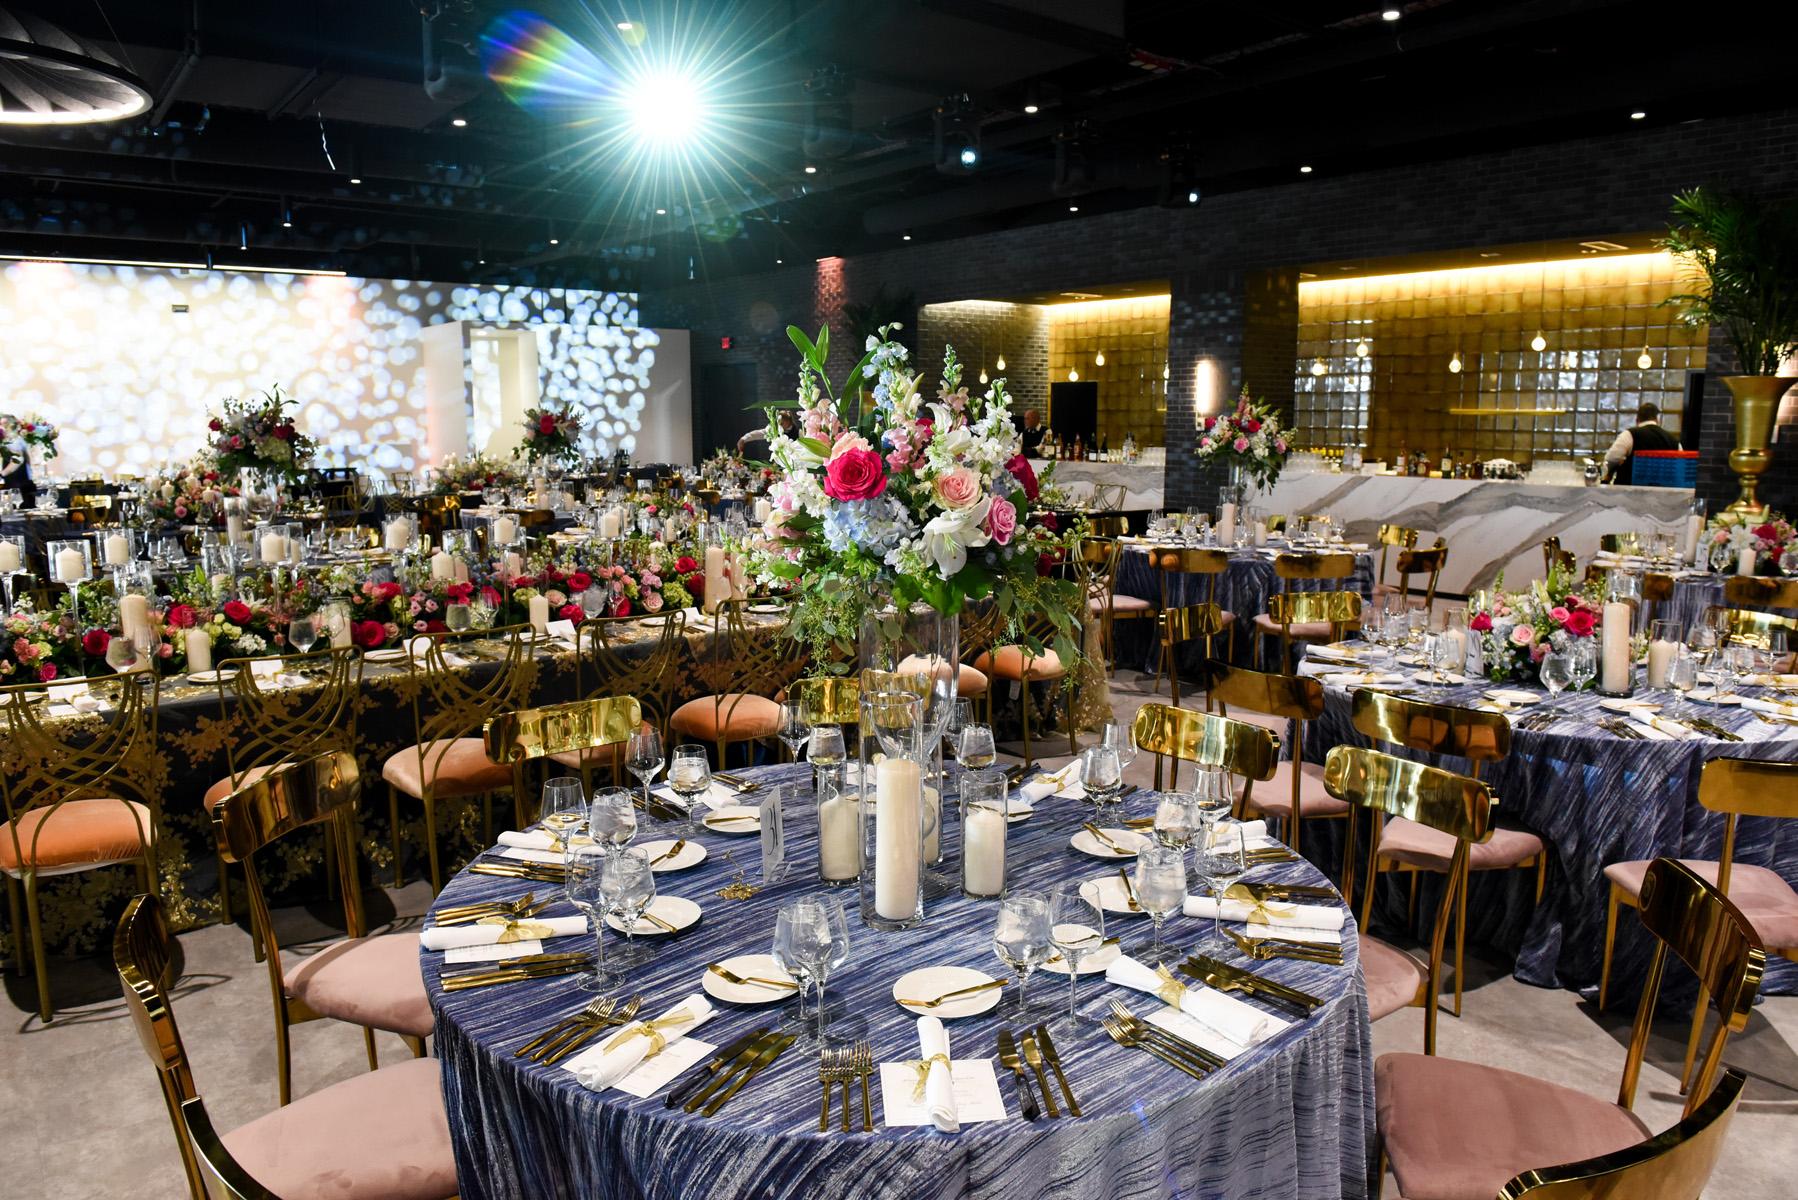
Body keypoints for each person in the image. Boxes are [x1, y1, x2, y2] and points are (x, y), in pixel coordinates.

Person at [1602, 401, 1679, 485]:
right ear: (1657, 419)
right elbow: (1680, 467)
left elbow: (1611, 458)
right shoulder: (1673, 440)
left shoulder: (1630, 434)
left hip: (1630, 492)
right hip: (1664, 493)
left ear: (1637, 419)